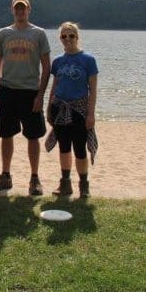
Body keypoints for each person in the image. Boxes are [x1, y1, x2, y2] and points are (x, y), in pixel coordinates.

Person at [0, 0, 51, 196]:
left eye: (23, 9)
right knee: (6, 135)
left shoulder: (38, 33)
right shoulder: (4, 33)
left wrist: (40, 95)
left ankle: (34, 178)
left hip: (30, 91)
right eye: (17, 9)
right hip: (7, 90)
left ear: (29, 10)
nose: (20, 12)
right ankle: (5, 175)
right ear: (12, 10)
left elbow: (47, 66)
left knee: (33, 136)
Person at [47, 22, 98, 198]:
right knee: (64, 148)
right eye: (64, 36)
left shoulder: (88, 60)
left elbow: (93, 90)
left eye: (71, 35)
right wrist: (48, 108)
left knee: (80, 149)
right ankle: (65, 184)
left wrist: (90, 114)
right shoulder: (58, 61)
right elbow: (54, 86)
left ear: (77, 37)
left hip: (79, 111)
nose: (67, 39)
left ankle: (84, 186)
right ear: (60, 39)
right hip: (59, 109)